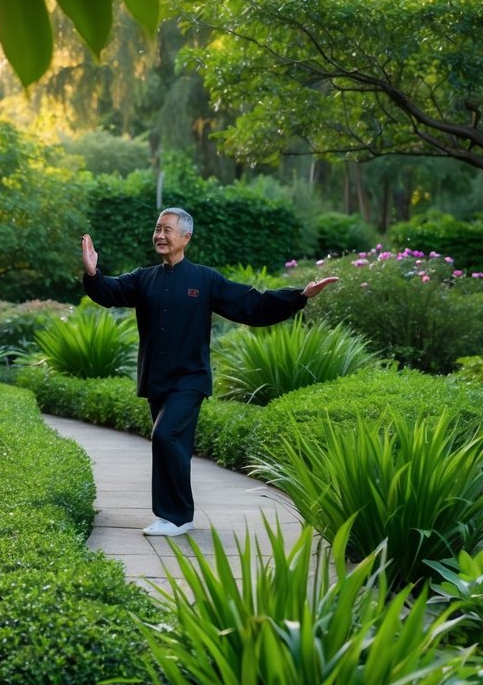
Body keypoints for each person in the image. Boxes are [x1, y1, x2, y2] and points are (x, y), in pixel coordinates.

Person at [81, 207, 338, 536]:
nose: (160, 235)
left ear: (186, 237)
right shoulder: (143, 278)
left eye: (167, 230)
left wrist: (299, 296)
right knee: (175, 446)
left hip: (190, 380)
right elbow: (109, 292)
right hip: (156, 379)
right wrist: (92, 273)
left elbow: (251, 305)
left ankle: (173, 516)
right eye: (157, 229)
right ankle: (181, 515)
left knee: (164, 435)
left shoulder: (205, 280)